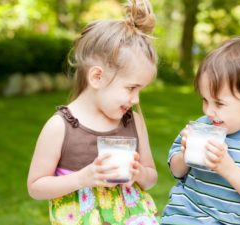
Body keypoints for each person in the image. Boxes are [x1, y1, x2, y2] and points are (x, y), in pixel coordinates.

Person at [27, 0, 159, 224]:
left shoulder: (133, 121)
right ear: (97, 77)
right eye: (131, 88)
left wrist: (139, 174)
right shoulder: (60, 127)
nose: (136, 99)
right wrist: (83, 178)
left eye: (140, 90)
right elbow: (36, 186)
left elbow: (151, 177)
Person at [161, 36, 240, 225]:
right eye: (205, 100)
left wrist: (228, 169)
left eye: (219, 103)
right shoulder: (203, 126)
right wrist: (185, 153)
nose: (208, 111)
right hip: (184, 219)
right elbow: (177, 170)